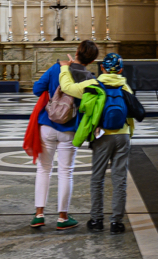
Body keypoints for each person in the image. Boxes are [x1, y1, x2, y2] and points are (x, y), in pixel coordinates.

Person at [58, 52, 136, 234]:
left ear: (102, 68)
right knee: (120, 180)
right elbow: (131, 112)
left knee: (97, 178)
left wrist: (64, 68)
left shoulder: (93, 84)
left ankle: (97, 220)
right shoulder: (125, 86)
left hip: (102, 137)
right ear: (121, 70)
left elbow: (67, 87)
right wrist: (128, 135)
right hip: (123, 135)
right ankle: (116, 223)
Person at [29, 40, 100, 229]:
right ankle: (63, 217)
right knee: (65, 172)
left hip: (47, 124)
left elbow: (37, 89)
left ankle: (39, 214)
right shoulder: (89, 77)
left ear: (76, 52)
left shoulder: (56, 68)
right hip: (70, 128)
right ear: (92, 60)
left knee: (43, 169)